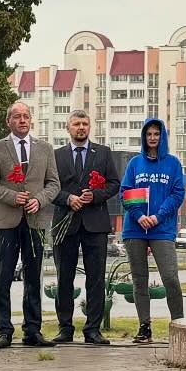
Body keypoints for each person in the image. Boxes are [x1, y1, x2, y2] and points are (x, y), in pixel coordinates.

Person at [0, 100, 59, 349]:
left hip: (35, 221)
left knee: (33, 277)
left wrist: (40, 200)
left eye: (26, 116)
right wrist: (12, 196)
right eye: (17, 116)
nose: (22, 120)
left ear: (31, 120)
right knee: (3, 277)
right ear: (8, 121)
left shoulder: (45, 149)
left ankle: (33, 330)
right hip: (6, 222)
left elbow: (54, 184)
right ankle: (4, 330)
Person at [51, 110, 119, 346]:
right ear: (68, 128)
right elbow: (48, 187)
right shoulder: (56, 155)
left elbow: (114, 184)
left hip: (95, 224)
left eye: (85, 124)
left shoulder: (103, 153)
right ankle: (65, 328)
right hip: (65, 223)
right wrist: (67, 198)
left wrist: (96, 196)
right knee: (64, 278)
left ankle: (93, 330)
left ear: (90, 127)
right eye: (76, 124)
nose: (81, 127)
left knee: (96, 279)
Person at [119, 118, 186, 344]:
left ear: (163, 136)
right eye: (149, 134)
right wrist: (139, 216)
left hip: (162, 229)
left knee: (170, 278)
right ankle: (144, 327)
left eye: (156, 133)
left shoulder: (173, 163)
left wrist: (158, 216)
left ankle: (179, 325)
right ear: (144, 137)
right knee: (139, 280)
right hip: (135, 229)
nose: (153, 138)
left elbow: (177, 194)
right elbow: (125, 192)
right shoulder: (135, 163)